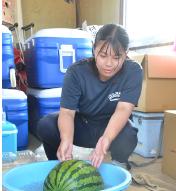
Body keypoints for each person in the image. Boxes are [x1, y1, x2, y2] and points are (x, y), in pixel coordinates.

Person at [37, 24, 143, 170]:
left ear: (126, 53)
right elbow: (67, 112)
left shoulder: (133, 71)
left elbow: (123, 109)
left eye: (117, 57)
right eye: (103, 55)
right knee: (46, 125)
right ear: (94, 49)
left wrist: (106, 138)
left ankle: (119, 166)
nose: (109, 64)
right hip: (83, 124)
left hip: (111, 126)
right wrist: (66, 139)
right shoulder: (76, 72)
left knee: (129, 133)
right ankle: (59, 166)